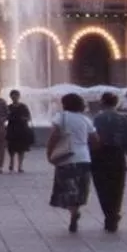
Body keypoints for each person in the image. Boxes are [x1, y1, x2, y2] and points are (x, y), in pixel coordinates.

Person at [47, 92, 96, 233]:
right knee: (80, 189)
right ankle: (75, 210)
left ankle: (73, 212)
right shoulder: (85, 119)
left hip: (66, 158)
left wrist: (49, 152)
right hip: (84, 158)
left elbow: (54, 135)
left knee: (67, 189)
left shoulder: (61, 117)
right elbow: (95, 139)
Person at [89, 92, 127, 232]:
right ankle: (114, 213)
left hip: (99, 156)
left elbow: (91, 139)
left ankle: (108, 214)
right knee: (117, 187)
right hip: (117, 155)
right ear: (116, 103)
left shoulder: (96, 119)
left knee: (102, 187)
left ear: (102, 103)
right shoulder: (123, 120)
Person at [4, 89, 33, 172]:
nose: (14, 98)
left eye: (16, 96)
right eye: (13, 96)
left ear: (19, 97)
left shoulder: (23, 106)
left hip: (22, 129)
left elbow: (29, 117)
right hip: (12, 129)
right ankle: (11, 162)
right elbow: (5, 117)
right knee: (11, 148)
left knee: (22, 149)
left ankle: (20, 166)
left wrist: (24, 118)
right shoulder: (9, 107)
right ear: (10, 97)